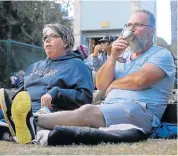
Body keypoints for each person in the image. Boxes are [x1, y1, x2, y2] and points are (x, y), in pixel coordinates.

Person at [1, 9, 176, 144]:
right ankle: (28, 125)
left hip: (141, 111)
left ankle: (31, 121)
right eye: (128, 25)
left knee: (88, 111)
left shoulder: (161, 55)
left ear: (152, 31)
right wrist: (113, 56)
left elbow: (139, 81)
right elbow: (101, 84)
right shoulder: (121, 56)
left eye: (137, 25)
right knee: (86, 116)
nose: (130, 30)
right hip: (110, 107)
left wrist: (114, 84)